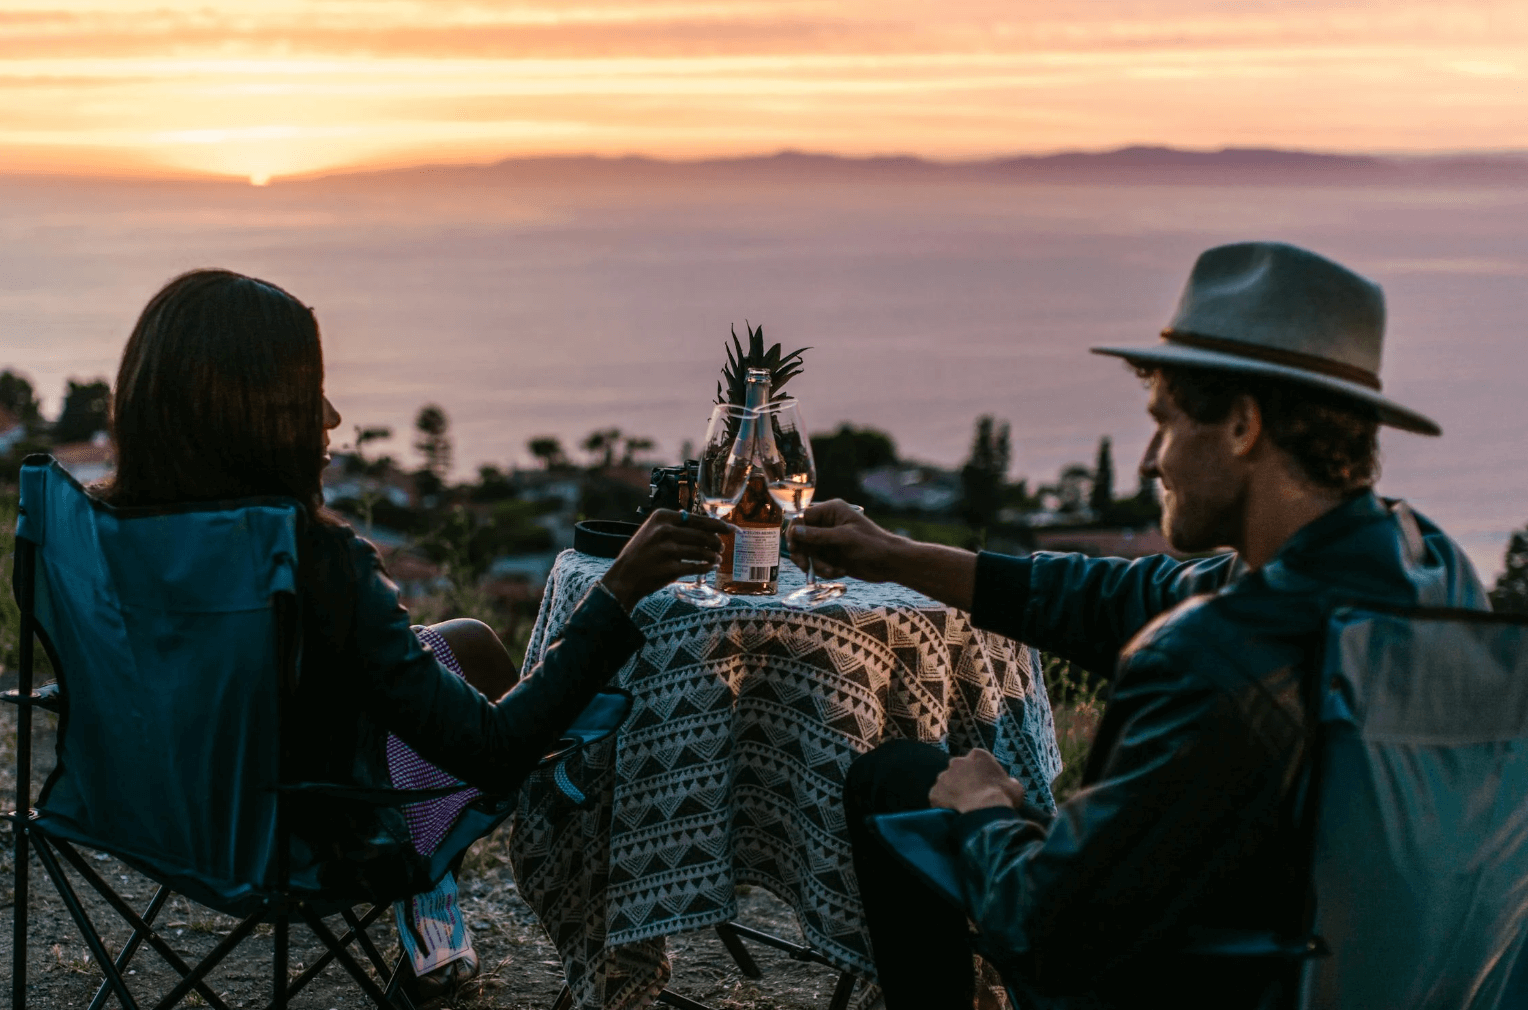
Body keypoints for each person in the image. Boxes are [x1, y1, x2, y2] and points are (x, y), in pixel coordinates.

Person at [788, 242, 1490, 1009]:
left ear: (1243, 426)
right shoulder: (1427, 566)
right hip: (1366, 967)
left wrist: (988, 811)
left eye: (1164, 423)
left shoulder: (1210, 658)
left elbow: (1052, 940)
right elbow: (1114, 595)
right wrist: (891, 555)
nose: (1152, 462)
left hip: (1202, 981)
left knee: (900, 782)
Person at [100, 268, 728, 999]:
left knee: (466, 643)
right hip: (309, 834)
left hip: (161, 808)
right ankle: (547, 902)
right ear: (251, 413)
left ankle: (439, 914)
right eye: (311, 395)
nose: (331, 417)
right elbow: (491, 753)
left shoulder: (106, 532)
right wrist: (619, 590)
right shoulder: (316, 561)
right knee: (543, 733)